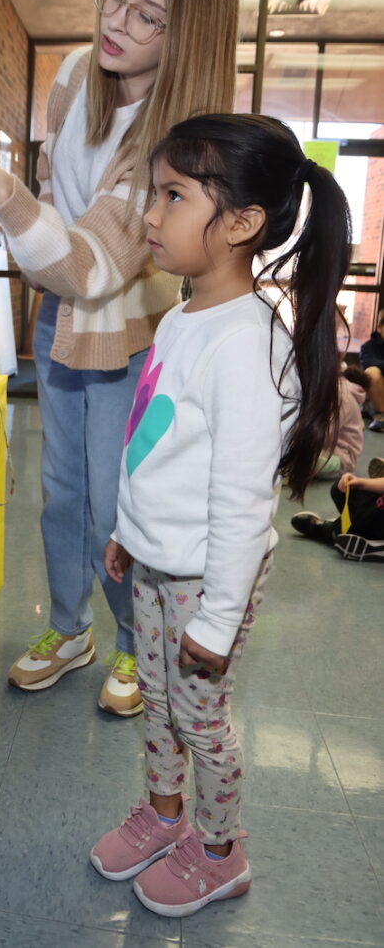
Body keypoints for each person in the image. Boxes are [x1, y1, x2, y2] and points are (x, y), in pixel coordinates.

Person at [0, 0, 240, 716]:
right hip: (62, 321)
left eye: (146, 15)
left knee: (118, 500)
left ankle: (128, 636)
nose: (115, 22)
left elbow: (91, 265)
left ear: (186, 31)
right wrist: (28, 217)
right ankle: (69, 626)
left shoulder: (175, 140)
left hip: (134, 340)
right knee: (59, 493)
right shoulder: (71, 77)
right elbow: (62, 230)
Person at [89, 113, 351, 917]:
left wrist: (219, 614)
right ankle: (166, 817)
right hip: (162, 562)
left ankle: (218, 848)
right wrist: (128, 537)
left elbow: (238, 501)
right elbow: (156, 451)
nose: (151, 215)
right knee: (160, 705)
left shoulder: (245, 345)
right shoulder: (179, 318)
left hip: (211, 574)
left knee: (200, 716)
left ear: (239, 223)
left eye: (172, 196)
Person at [292, 456, 384, 561]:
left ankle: (331, 530)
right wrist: (360, 483)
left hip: (377, 520)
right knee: (339, 490)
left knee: (354, 527)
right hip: (375, 507)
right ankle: (342, 527)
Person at [314, 366, 368, 477]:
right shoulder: (346, 395)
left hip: (341, 460)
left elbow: (325, 433)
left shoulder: (343, 397)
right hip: (338, 453)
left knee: (301, 459)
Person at [360, 309, 384, 431]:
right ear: (379, 328)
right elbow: (368, 363)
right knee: (372, 372)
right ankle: (381, 416)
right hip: (376, 395)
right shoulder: (368, 347)